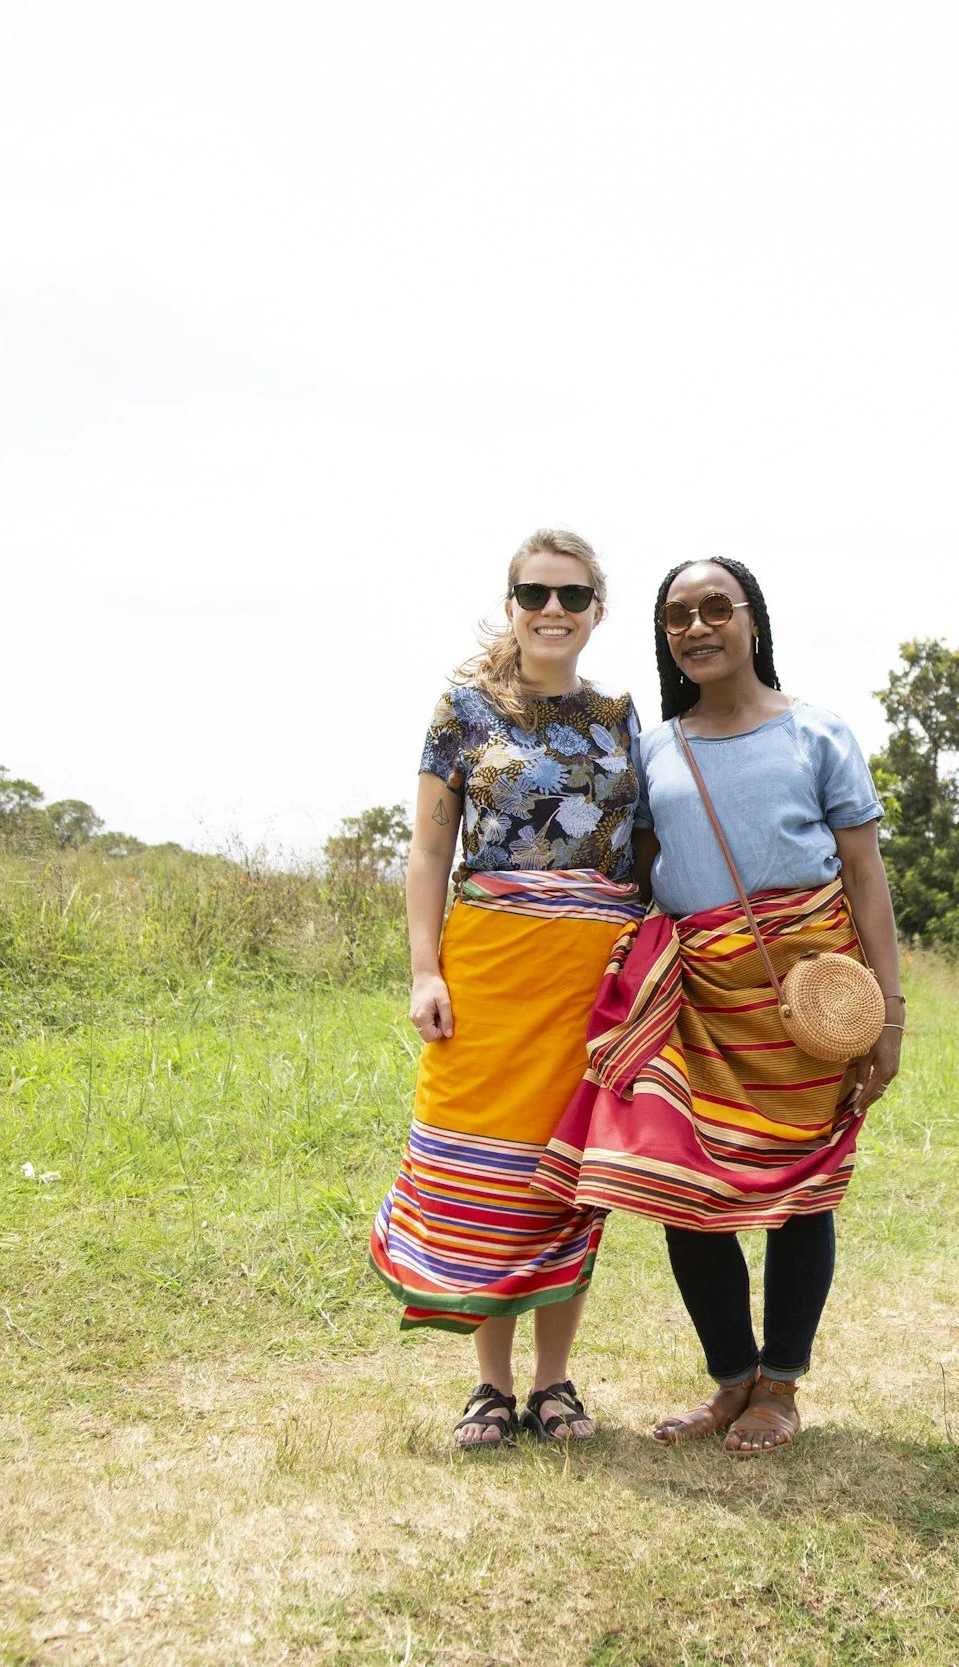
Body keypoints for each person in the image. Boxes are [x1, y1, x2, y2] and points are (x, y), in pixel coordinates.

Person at [536, 558, 904, 1456]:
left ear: (751, 620)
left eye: (715, 609)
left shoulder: (819, 734)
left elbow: (865, 876)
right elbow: (648, 872)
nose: (697, 628)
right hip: (696, 997)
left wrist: (888, 1015)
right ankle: (730, 1379)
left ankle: (780, 1384)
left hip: (807, 996)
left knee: (801, 1190)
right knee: (678, 1185)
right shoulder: (656, 748)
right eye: (677, 618)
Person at [367, 529, 645, 1449]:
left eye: (571, 595)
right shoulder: (462, 711)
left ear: (597, 610)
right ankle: (490, 1386)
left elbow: (645, 848)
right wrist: (423, 971)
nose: (552, 610)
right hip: (488, 972)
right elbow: (427, 851)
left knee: (566, 1177)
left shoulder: (619, 717)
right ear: (511, 604)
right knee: (484, 1170)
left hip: (588, 983)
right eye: (534, 594)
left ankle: (555, 1383)